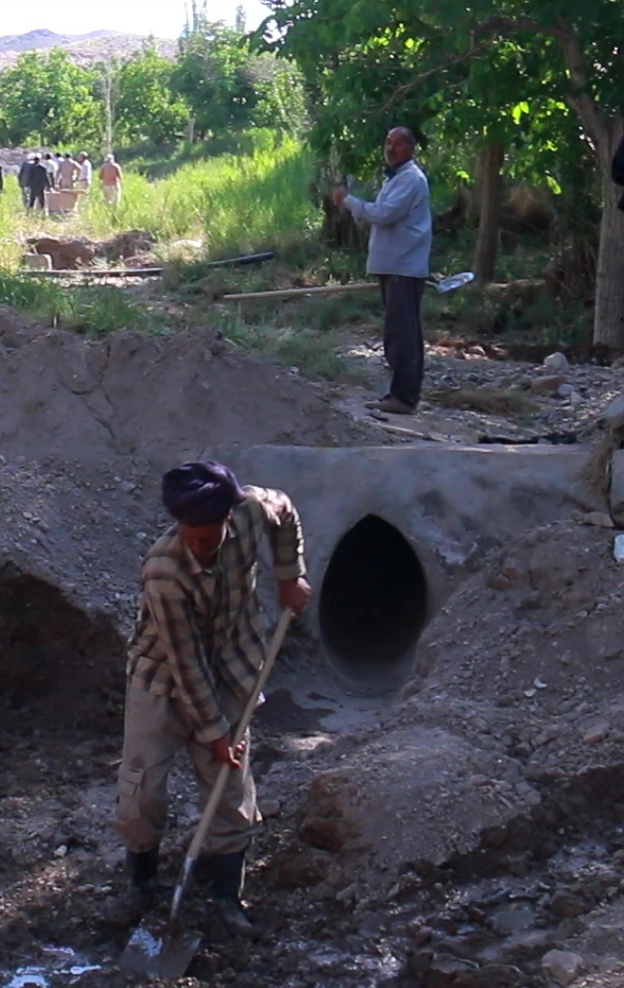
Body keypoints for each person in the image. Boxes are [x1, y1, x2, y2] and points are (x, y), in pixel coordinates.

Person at [111, 461, 311, 935]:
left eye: (207, 537)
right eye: (189, 536)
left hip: (235, 664)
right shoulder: (164, 569)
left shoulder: (250, 511)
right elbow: (186, 661)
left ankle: (226, 896)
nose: (198, 547)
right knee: (142, 790)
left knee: (228, 785)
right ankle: (140, 885)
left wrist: (289, 573)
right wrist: (215, 730)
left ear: (228, 518)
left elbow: (284, 510)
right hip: (160, 677)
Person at [333, 127, 432, 415]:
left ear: (411, 149)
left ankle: (403, 398)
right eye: (388, 142)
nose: (391, 148)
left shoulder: (411, 179)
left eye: (399, 144)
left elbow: (383, 214)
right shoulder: (399, 179)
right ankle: (400, 394)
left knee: (402, 335)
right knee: (399, 333)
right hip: (395, 266)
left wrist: (348, 201)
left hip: (404, 267)